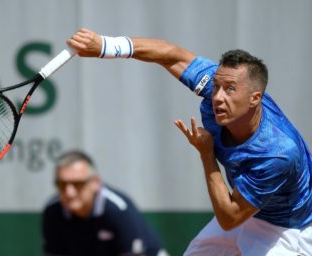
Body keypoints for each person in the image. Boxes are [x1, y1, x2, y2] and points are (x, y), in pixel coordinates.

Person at [66, 28, 312, 255]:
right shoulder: (216, 89)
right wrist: (105, 46)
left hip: (290, 227)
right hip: (247, 209)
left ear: (255, 98)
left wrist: (207, 154)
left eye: (229, 89)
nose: (217, 97)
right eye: (216, 86)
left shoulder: (277, 153)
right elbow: (172, 55)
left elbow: (229, 218)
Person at [42, 150, 169, 256]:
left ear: (96, 183)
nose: (69, 192)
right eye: (62, 184)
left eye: (78, 184)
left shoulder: (118, 209)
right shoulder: (52, 211)